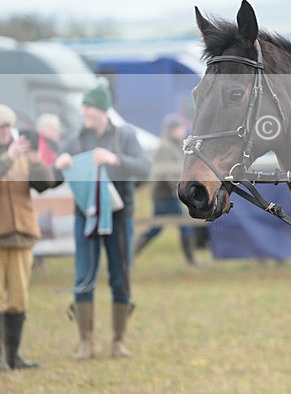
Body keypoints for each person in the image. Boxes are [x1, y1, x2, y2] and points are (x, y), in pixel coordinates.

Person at [54, 82, 150, 359]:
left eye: (91, 107)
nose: (86, 112)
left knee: (120, 279)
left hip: (119, 218)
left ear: (103, 109)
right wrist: (59, 164)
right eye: (84, 106)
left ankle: (118, 342)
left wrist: (115, 159)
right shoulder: (74, 140)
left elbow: (144, 168)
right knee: (83, 277)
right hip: (85, 218)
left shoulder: (125, 136)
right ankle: (85, 343)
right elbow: (53, 175)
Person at [0, 104, 57, 370]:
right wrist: (9, 157)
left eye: (6, 128)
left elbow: (44, 184)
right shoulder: (9, 157)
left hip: (22, 235)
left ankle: (13, 356)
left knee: (18, 299)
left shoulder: (23, 154)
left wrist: (35, 158)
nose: (4, 133)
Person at [133, 113, 197, 265]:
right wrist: (179, 190)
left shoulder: (175, 146)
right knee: (185, 224)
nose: (183, 131)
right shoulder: (165, 147)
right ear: (171, 130)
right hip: (166, 195)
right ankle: (191, 261)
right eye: (179, 128)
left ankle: (130, 254)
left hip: (167, 194)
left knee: (155, 228)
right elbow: (166, 174)